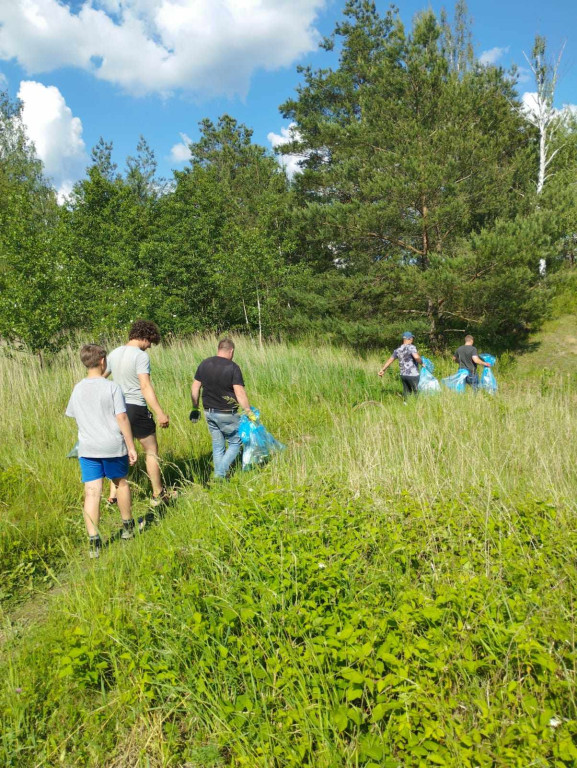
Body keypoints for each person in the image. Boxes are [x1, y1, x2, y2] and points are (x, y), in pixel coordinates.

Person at [66, 344, 138, 558]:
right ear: (103, 361)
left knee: (92, 491)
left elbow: (74, 414)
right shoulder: (111, 387)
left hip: (88, 447)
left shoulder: (77, 388)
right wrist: (131, 446)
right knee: (120, 483)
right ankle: (127, 527)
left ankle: (94, 541)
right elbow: (122, 417)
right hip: (112, 446)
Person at [106, 320, 171, 506]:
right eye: (150, 342)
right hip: (135, 408)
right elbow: (145, 386)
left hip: (116, 409)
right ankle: (158, 493)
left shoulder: (114, 353)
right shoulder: (140, 356)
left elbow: (100, 377)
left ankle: (113, 495)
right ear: (145, 336)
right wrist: (160, 413)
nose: (150, 346)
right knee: (151, 450)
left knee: (120, 451)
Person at [190, 339, 253, 480]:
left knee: (218, 445)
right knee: (236, 442)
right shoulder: (233, 367)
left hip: (209, 412)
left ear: (219, 349)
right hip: (227, 413)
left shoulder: (204, 363)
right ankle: (219, 475)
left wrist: (195, 407)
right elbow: (240, 392)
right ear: (231, 351)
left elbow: (194, 387)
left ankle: (220, 479)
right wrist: (248, 411)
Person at [378, 332, 422, 401]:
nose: (412, 340)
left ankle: (406, 404)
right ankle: (418, 406)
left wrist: (383, 370)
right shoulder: (411, 347)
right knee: (416, 392)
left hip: (403, 375)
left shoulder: (398, 349)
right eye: (412, 338)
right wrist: (422, 363)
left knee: (406, 392)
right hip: (413, 374)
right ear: (409, 339)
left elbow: (390, 360)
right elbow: (416, 357)